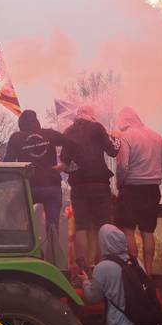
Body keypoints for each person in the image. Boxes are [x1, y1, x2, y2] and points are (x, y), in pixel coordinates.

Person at [79, 225, 162, 325]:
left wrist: (86, 281)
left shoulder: (103, 267)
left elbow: (93, 298)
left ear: (103, 243)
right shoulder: (136, 262)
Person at [58, 105, 120, 268]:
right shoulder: (97, 128)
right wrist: (116, 137)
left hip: (78, 186)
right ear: (92, 115)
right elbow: (113, 151)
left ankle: (83, 269)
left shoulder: (68, 132)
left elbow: (64, 162)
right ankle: (105, 266)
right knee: (104, 225)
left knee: (81, 227)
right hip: (99, 183)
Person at [114, 107, 162, 275]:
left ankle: (134, 270)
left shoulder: (125, 137)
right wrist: (153, 172)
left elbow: (123, 166)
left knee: (128, 229)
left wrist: (120, 183)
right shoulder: (155, 136)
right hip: (152, 189)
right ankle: (148, 272)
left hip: (131, 189)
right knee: (148, 231)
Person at [5, 110, 69, 232]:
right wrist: (65, 163)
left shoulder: (17, 137)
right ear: (37, 121)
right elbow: (72, 144)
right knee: (52, 226)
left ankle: (25, 242)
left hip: (29, 186)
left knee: (12, 213)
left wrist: (11, 181)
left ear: (21, 124)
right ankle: (53, 248)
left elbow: (8, 162)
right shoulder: (49, 134)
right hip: (52, 185)